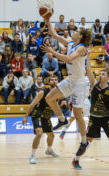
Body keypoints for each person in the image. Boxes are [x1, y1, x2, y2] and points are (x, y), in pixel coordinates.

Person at [41, 20, 93, 161]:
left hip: (80, 83)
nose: (73, 32)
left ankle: (83, 141)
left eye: (76, 32)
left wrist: (52, 51)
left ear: (80, 36)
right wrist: (48, 20)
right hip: (71, 79)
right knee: (49, 98)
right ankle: (62, 120)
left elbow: (68, 58)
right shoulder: (70, 42)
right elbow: (53, 34)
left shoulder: (81, 48)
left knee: (77, 113)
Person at [72, 53, 109, 170]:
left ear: (107, 77)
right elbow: (88, 70)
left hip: (106, 118)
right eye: (100, 74)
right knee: (86, 142)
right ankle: (76, 160)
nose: (100, 75)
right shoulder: (94, 85)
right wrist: (87, 55)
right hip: (94, 118)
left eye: (103, 74)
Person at [23, 75, 60, 164]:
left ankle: (49, 150)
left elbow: (55, 106)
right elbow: (32, 104)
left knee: (51, 136)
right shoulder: (42, 92)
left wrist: (60, 117)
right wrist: (26, 116)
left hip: (46, 116)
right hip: (38, 114)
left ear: (58, 82)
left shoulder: (58, 93)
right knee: (39, 133)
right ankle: (32, 156)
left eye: (56, 80)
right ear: (49, 82)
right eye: (52, 80)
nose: (54, 81)